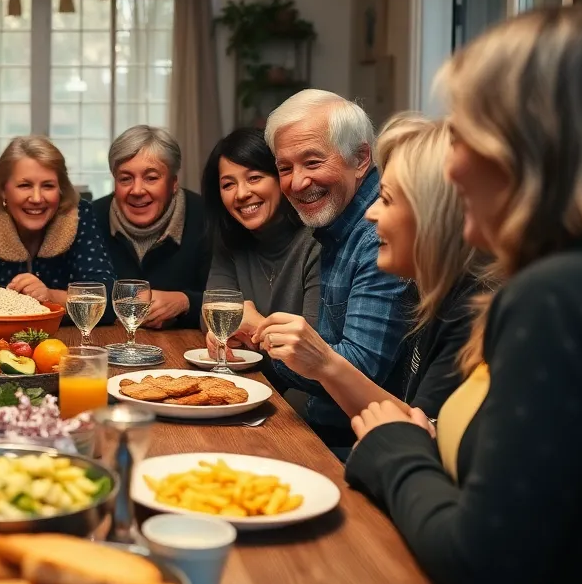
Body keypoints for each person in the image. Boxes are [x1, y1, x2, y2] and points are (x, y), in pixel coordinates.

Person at [344, 6, 582, 584]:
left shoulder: (559, 297)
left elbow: (483, 563)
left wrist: (395, 449)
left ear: (526, 144)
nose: (451, 164)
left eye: (464, 134)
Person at [256, 113, 483, 420]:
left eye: (386, 199)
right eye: (285, 168)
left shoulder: (470, 308)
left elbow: (419, 437)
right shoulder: (436, 294)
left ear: (434, 213)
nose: (371, 212)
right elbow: (417, 421)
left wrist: (323, 363)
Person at [248, 89, 410, 450]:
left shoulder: (377, 235)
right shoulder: (333, 221)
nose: (297, 182)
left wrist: (261, 333)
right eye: (285, 168)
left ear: (360, 158)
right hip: (323, 428)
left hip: (360, 447)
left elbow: (361, 373)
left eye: (313, 162)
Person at [0, 136, 116, 305]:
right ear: (3, 190)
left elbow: (105, 297)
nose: (36, 198)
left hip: (66, 333)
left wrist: (50, 296)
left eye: (48, 186)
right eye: (24, 185)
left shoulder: (80, 215)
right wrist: (21, 302)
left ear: (61, 190)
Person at [92, 126, 209, 328]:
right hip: (105, 347)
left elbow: (231, 300)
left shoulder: (206, 218)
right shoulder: (91, 218)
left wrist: (185, 302)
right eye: (125, 178)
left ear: (173, 183)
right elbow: (73, 293)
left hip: (187, 351)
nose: (137, 190)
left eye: (151, 178)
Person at [202, 126, 320, 327]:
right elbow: (211, 320)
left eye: (254, 178)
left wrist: (254, 325)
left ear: (281, 178)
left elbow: (313, 344)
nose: (241, 194)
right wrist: (219, 338)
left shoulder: (316, 241)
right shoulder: (231, 241)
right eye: (228, 185)